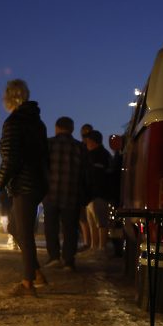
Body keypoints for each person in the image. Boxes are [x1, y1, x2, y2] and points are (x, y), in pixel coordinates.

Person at [0, 80, 48, 296]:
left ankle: (27, 283)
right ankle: (37, 273)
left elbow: (10, 158)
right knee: (15, 228)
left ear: (9, 97)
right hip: (37, 182)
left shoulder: (14, 122)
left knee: (23, 232)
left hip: (24, 184)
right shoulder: (37, 123)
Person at [43, 116, 87, 273]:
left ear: (56, 128)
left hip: (51, 193)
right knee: (70, 229)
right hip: (72, 194)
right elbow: (85, 172)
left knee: (51, 227)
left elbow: (43, 167)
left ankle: (54, 257)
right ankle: (68, 261)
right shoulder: (80, 147)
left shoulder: (49, 144)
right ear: (72, 129)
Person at [84, 129, 113, 257]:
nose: (86, 144)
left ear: (93, 141)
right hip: (92, 195)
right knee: (93, 223)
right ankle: (94, 247)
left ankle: (101, 248)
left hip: (99, 194)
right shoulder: (97, 155)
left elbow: (100, 176)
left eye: (88, 141)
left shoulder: (100, 155)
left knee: (100, 223)